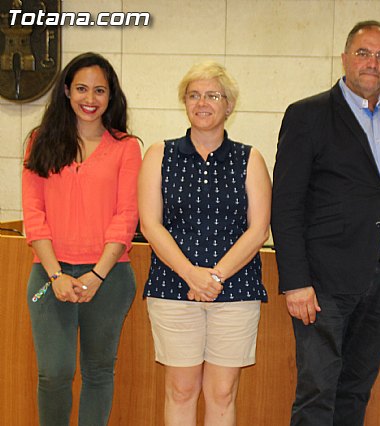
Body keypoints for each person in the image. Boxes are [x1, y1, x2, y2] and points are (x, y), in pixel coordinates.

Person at [271, 21, 380, 426]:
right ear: (345, 57)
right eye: (363, 53)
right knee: (317, 390)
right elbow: (286, 204)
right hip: (322, 284)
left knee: (356, 388)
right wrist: (295, 282)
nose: (372, 63)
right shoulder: (308, 114)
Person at [138, 61, 271, 426]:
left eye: (213, 95)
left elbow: (259, 230)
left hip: (235, 288)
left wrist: (214, 277)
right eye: (194, 95)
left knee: (223, 392)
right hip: (173, 286)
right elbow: (150, 225)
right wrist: (191, 274)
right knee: (181, 389)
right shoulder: (159, 154)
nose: (202, 103)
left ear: (229, 105)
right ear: (184, 102)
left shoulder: (250, 158)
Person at [22, 52, 141, 426]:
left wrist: (98, 274)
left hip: (109, 277)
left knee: (98, 371)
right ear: (66, 92)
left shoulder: (126, 147)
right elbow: (34, 215)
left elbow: (126, 216)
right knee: (53, 373)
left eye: (100, 90)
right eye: (82, 89)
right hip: (49, 276)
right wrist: (56, 275)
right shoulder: (40, 141)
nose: (90, 99)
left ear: (111, 96)